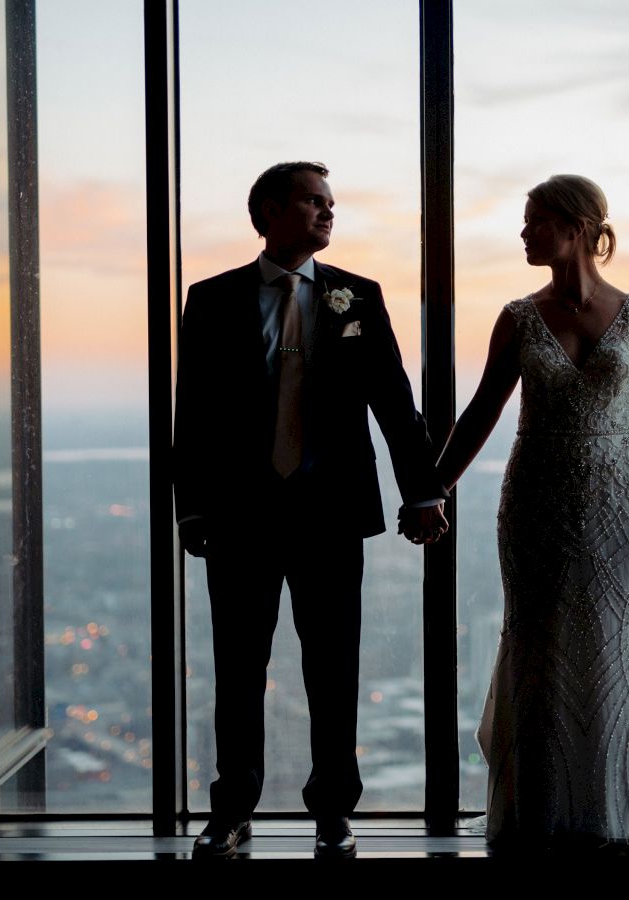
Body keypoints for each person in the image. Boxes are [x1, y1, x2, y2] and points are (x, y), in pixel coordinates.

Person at [173, 161, 448, 859]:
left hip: (329, 518)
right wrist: (191, 509)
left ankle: (333, 815)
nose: (328, 213)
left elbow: (394, 402)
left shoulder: (358, 297)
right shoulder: (211, 300)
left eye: (331, 204)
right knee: (238, 669)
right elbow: (194, 415)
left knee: (333, 669)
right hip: (239, 519)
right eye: (312, 201)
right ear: (267, 212)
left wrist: (422, 491)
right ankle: (232, 811)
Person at [436, 174, 629, 846]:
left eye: (535, 220)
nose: (523, 233)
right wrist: (436, 486)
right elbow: (483, 409)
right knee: (540, 644)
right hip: (535, 504)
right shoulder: (517, 317)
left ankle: (610, 810)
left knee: (612, 645)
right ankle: (537, 811)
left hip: (617, 503)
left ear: (575, 227)